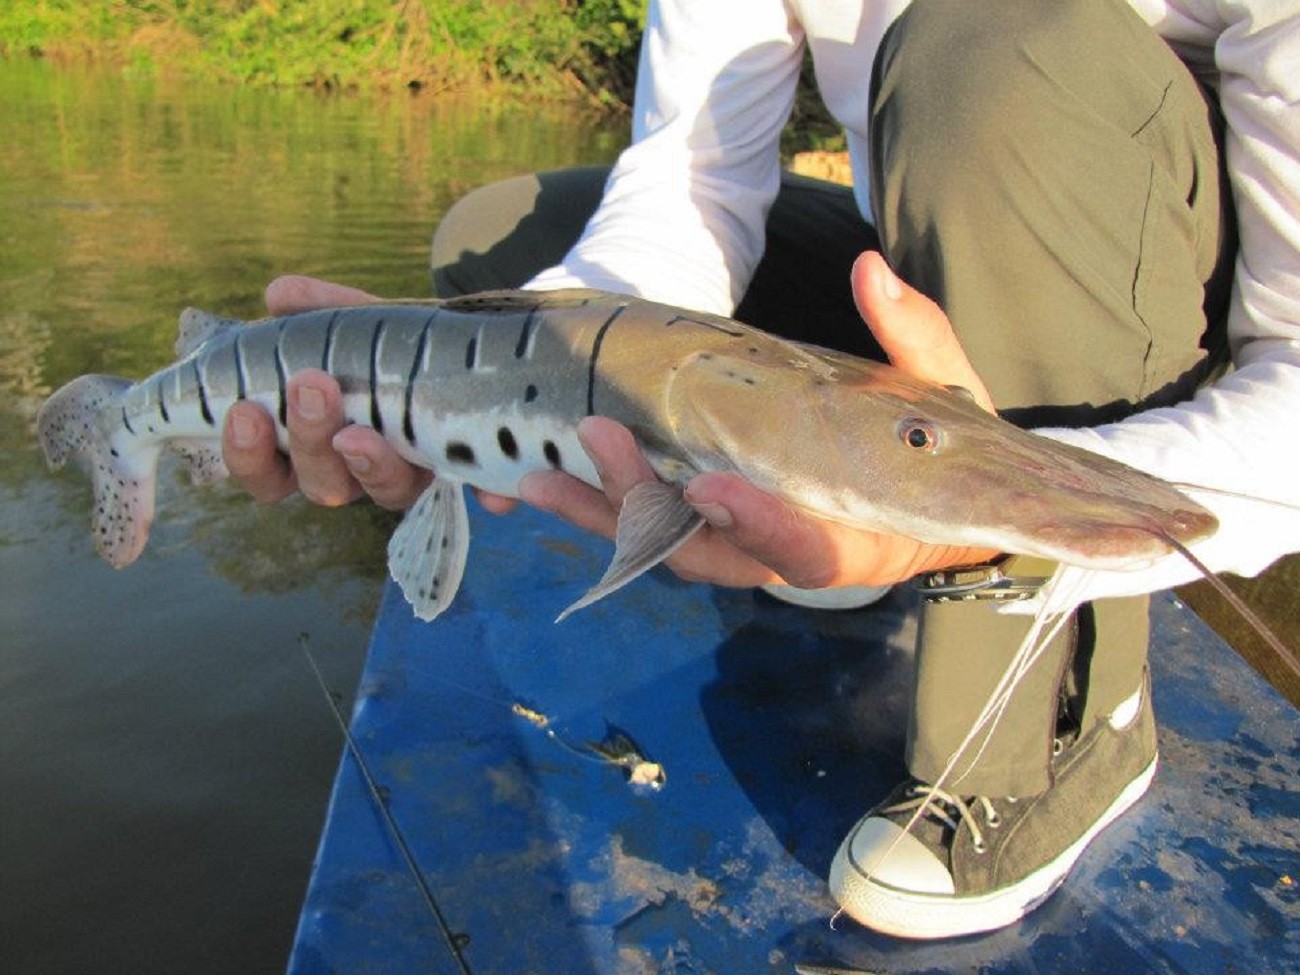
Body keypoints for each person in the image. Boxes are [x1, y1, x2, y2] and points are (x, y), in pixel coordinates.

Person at [221, 0, 1300, 940]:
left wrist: (989, 505)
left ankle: (1066, 726)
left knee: (997, 37)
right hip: (910, 258)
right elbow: (687, 183)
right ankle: (822, 520)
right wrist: (468, 370)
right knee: (508, 240)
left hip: (1146, 293)